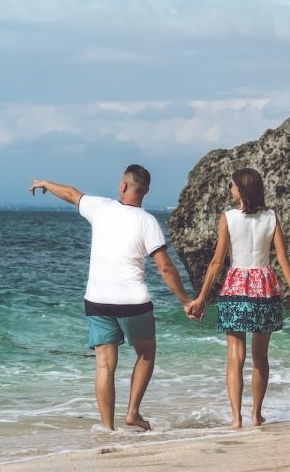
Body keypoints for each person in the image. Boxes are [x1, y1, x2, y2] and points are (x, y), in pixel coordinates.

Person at [30, 164, 193, 432]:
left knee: (105, 365)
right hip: (133, 302)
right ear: (146, 191)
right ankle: (133, 413)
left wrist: (46, 183)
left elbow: (71, 193)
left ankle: (107, 428)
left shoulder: (101, 208)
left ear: (123, 185)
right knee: (146, 353)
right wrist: (186, 300)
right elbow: (165, 267)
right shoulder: (147, 222)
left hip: (97, 300)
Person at [186, 167, 290, 429]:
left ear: (241, 189)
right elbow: (282, 258)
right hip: (264, 286)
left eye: (232, 184)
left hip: (236, 285)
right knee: (260, 357)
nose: (230, 188)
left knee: (235, 356)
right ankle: (256, 415)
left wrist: (202, 297)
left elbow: (217, 261)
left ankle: (236, 418)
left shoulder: (228, 218)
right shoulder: (271, 217)